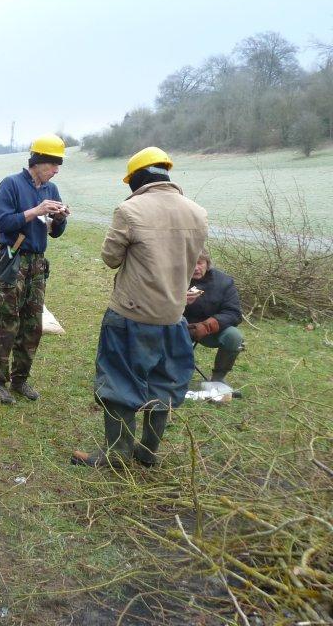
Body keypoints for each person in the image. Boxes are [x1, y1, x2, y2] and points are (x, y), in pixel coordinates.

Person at [72, 147, 207, 468]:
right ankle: (147, 452)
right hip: (173, 316)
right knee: (165, 382)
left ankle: (117, 455)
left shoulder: (130, 210)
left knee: (118, 382)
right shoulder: (197, 213)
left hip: (130, 315)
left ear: (136, 179)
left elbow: (110, 258)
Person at [0, 134, 71, 405]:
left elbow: (56, 233)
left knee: (32, 324)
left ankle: (20, 379)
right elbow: (0, 222)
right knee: (7, 319)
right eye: (53, 164)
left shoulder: (51, 190)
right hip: (14, 259)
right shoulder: (11, 184)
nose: (56, 170)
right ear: (38, 162)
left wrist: (58, 219)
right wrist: (35, 211)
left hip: (38, 262)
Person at [185, 251, 244, 383]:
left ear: (207, 264)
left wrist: (207, 326)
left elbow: (233, 313)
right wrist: (179, 301)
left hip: (210, 332)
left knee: (234, 336)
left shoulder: (223, 282)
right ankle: (167, 376)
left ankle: (218, 379)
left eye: (200, 263)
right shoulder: (172, 279)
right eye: (191, 263)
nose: (196, 268)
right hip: (177, 328)